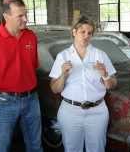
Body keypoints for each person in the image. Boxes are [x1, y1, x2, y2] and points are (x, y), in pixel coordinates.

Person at [0, 0, 43, 152]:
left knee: (35, 146)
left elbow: (32, 67)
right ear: (6, 16)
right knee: (1, 147)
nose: (26, 19)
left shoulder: (31, 36)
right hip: (4, 102)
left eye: (26, 14)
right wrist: (2, 92)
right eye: (20, 15)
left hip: (32, 100)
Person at [49, 16, 117, 152]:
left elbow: (112, 84)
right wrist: (63, 74)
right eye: (82, 32)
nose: (86, 36)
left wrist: (105, 74)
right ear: (74, 32)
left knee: (97, 149)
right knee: (72, 149)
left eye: (89, 33)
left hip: (97, 112)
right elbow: (55, 89)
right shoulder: (63, 56)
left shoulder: (100, 55)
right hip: (70, 112)